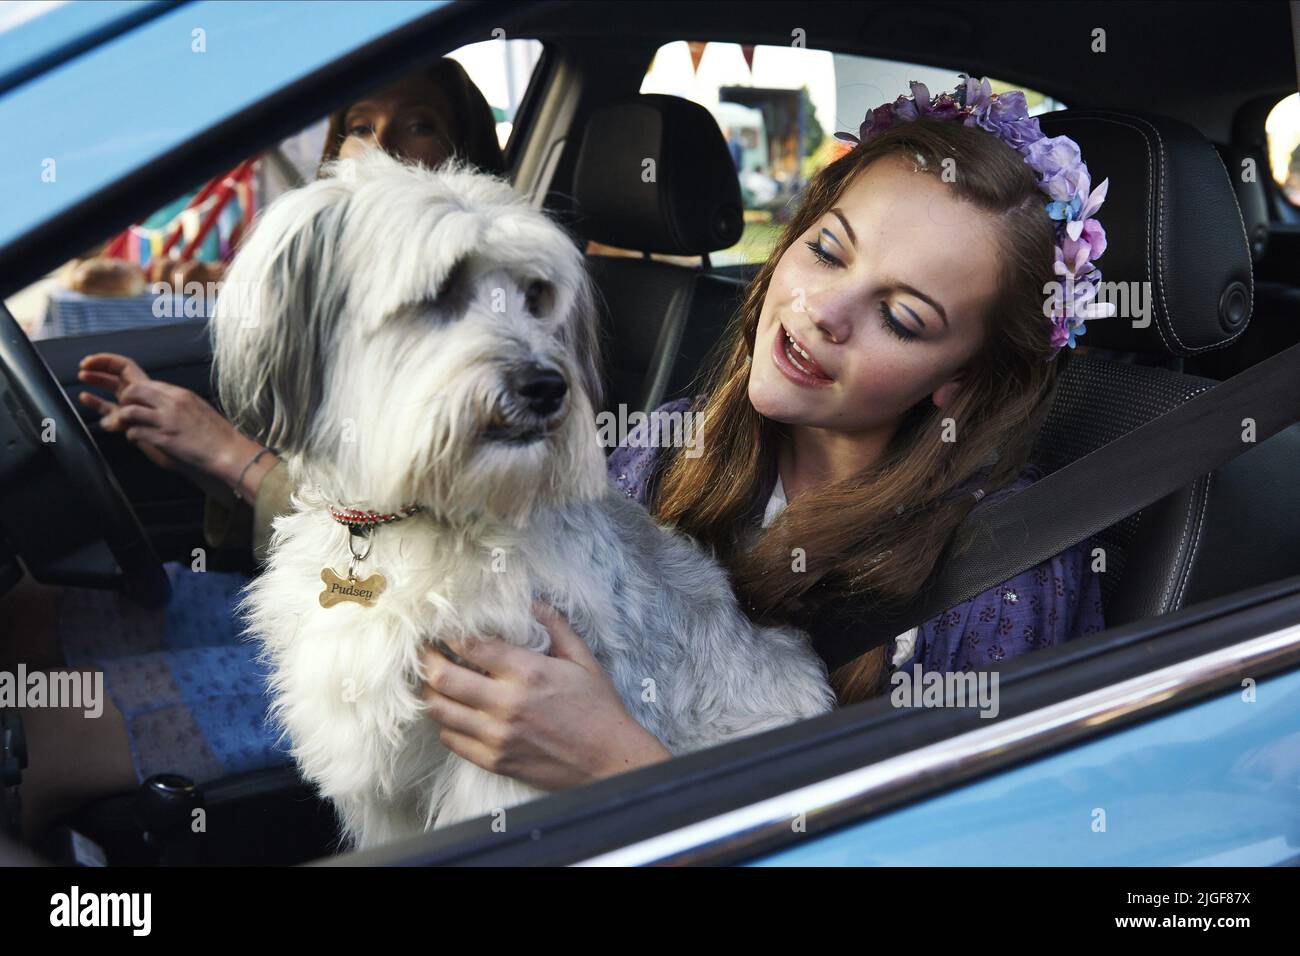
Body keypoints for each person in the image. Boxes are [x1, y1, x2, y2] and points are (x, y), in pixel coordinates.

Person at [12, 77, 1107, 844]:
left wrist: (615, 761)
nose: (823, 313)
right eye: (825, 250)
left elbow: (947, 845)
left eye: (903, 317)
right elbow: (400, 523)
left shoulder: (1001, 574)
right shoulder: (660, 445)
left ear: (959, 377)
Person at [6, 57, 505, 844]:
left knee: (27, 732)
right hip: (308, 594)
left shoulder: (491, 329)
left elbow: (418, 552)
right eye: (359, 129)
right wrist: (198, 454)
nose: (379, 151)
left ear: (465, 160)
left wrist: (230, 458)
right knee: (34, 605)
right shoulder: (337, 304)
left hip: (396, 642)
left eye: (417, 125)